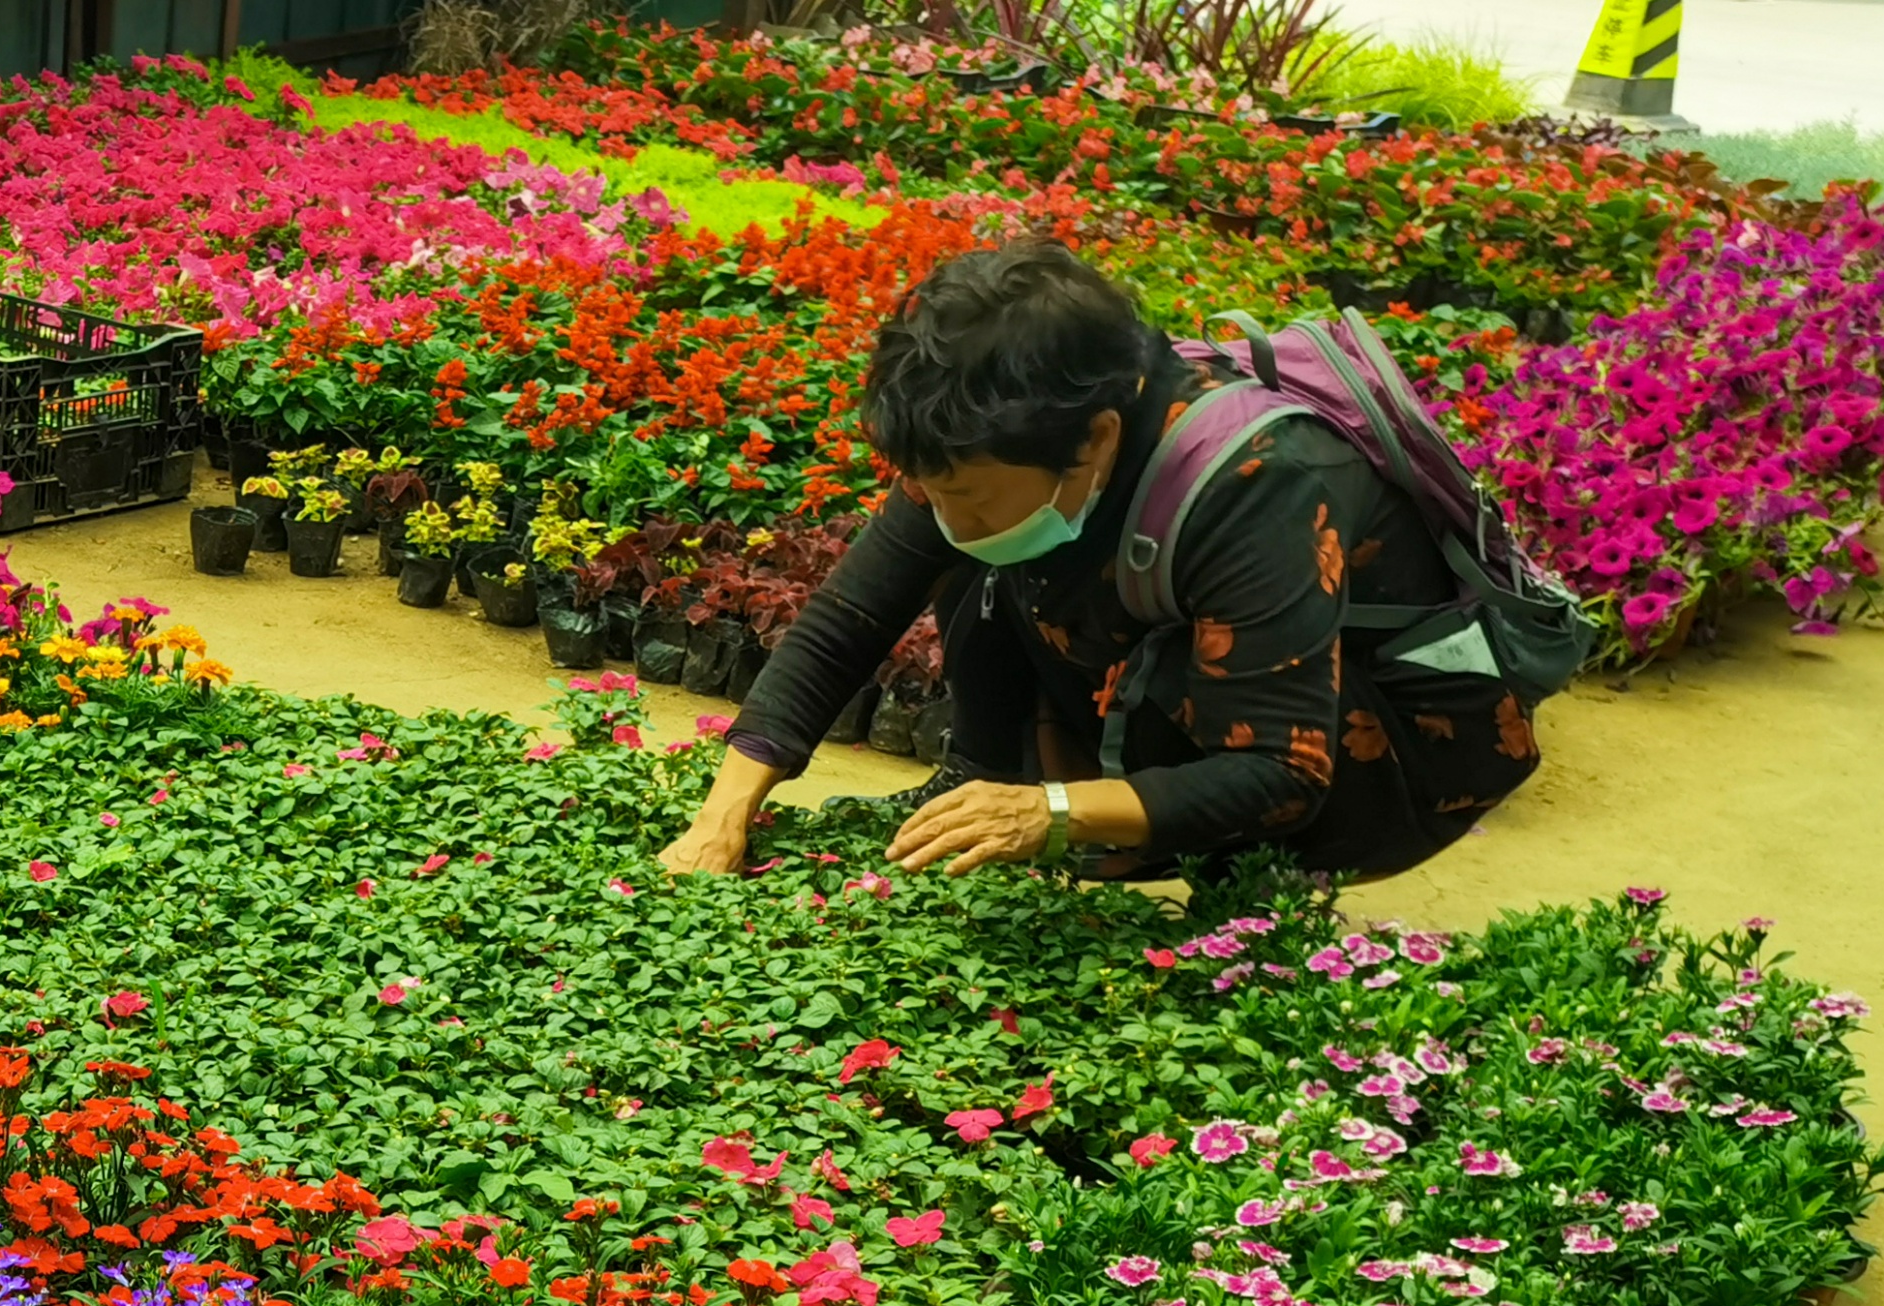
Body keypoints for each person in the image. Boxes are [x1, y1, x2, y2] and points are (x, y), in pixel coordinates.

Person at [660, 241, 1541, 881]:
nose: (939, 508)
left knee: (1238, 804)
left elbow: (1283, 770)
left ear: (1097, 442)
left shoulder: (1258, 485)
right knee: (983, 565)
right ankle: (990, 779)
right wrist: (723, 815)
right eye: (927, 485)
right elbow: (847, 621)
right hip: (1179, 682)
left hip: (1371, 755)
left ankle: (1146, 850)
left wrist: (1047, 812)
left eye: (965, 492)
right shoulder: (986, 433)